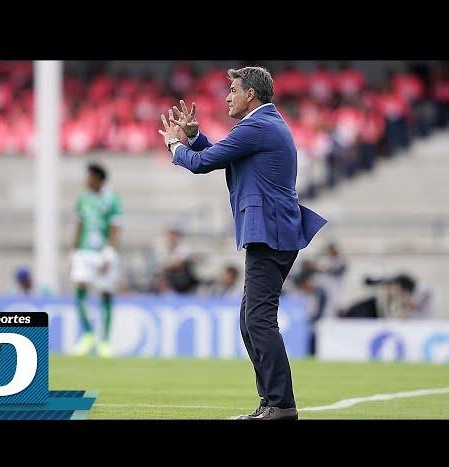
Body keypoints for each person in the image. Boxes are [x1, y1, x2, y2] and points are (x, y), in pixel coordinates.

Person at [158, 66, 327, 420]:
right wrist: (195, 135)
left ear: (250, 94)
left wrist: (176, 145)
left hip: (270, 232)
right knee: (251, 320)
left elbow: (204, 163)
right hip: (272, 230)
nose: (227, 96)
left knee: (259, 320)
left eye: (233, 90)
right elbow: (222, 154)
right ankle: (270, 402)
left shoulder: (258, 125)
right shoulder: (263, 126)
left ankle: (281, 405)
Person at [70, 163, 123, 357]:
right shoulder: (83, 199)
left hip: (103, 252)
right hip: (84, 252)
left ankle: (105, 342)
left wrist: (110, 252)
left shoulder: (112, 199)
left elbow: (115, 227)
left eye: (90, 176)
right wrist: (74, 251)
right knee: (80, 286)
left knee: (106, 293)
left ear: (99, 179)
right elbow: (79, 225)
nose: (86, 180)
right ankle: (88, 334)